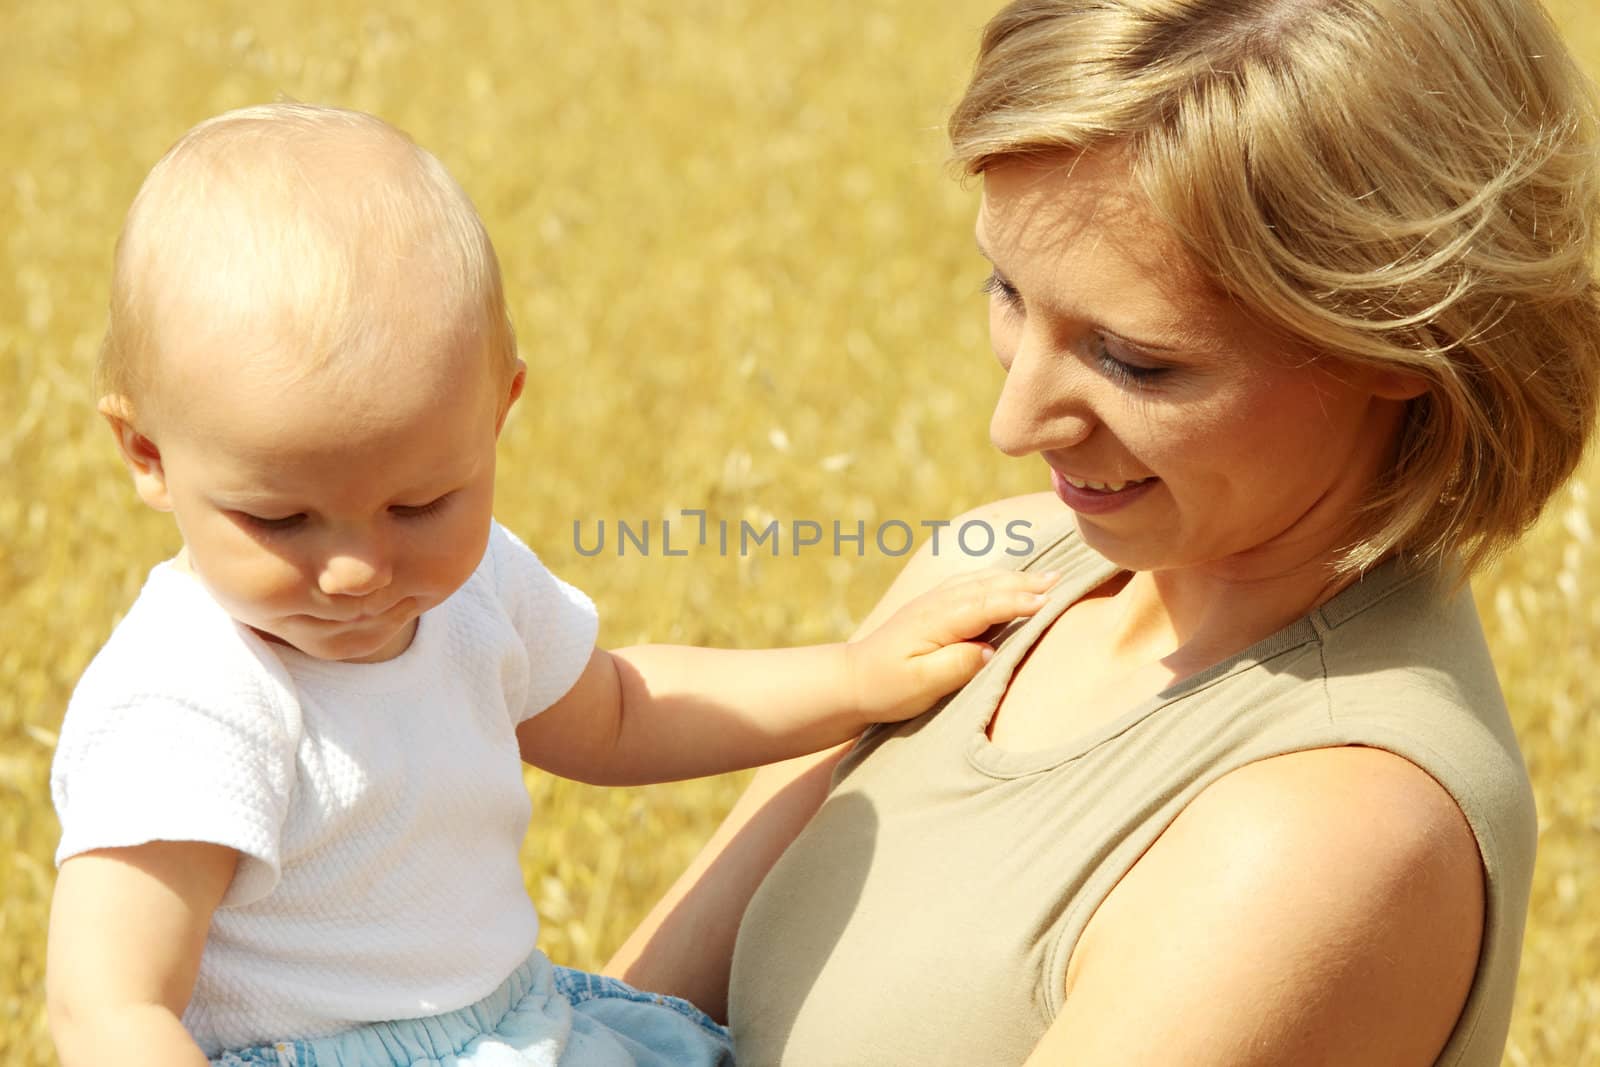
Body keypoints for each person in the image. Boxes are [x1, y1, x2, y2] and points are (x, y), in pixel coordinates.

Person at [606, 2, 1600, 1064]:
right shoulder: (994, 568)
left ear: (1405, 335)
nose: (1011, 425)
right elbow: (608, 1024)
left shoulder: (1324, 832)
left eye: (1132, 359)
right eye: (1007, 290)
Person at [42, 102, 1057, 1067]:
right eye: (279, 519)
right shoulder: (192, 699)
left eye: (420, 503)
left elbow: (617, 709)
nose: (357, 569)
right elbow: (110, 1004)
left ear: (498, 410)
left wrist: (851, 676)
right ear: (147, 452)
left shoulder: (472, 588)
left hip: (512, 1026)